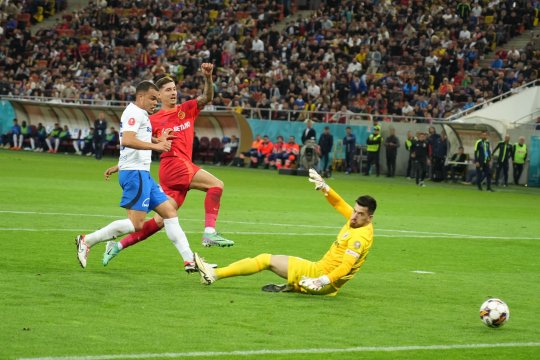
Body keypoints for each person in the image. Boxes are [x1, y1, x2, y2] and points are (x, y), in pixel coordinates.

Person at [103, 64, 234, 267]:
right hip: (174, 165)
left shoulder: (186, 110)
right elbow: (138, 144)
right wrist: (121, 165)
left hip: (179, 170)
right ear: (158, 96)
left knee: (160, 221)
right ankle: (209, 233)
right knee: (216, 185)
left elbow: (207, 97)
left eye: (174, 89)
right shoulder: (152, 120)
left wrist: (208, 77)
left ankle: (117, 246)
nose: (173, 93)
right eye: (168, 90)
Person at [75, 80, 208, 273]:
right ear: (141, 97)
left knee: (169, 213)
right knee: (136, 224)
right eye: (153, 98)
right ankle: (87, 240)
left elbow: (138, 139)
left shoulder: (141, 115)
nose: (155, 102)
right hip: (135, 174)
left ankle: (189, 260)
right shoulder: (133, 113)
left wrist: (157, 140)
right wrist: (157, 146)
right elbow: (128, 140)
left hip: (141, 173)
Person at [194, 169, 377, 297]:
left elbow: (345, 267)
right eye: (354, 211)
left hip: (319, 278)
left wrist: (321, 281)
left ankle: (213, 274)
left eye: (360, 214)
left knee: (265, 259)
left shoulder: (359, 238)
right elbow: (339, 204)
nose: (353, 216)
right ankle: (296, 286)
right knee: (277, 261)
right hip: (323, 278)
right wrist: (325, 188)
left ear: (370, 217)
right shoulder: (357, 222)